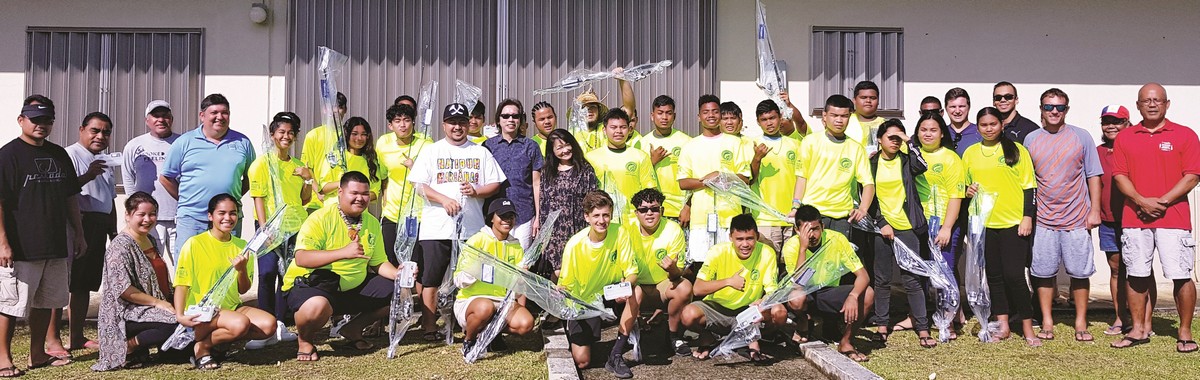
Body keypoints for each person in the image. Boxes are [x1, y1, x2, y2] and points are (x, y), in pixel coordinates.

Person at [0, 96, 86, 375]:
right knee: (11, 305)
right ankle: (3, 359)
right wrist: (2, 242)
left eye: (47, 120)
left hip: (55, 243)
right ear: (21, 120)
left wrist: (78, 233)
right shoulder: (7, 155)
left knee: (48, 302)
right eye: (35, 119)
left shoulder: (59, 154)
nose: (42, 125)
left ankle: (37, 354)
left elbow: (70, 197)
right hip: (21, 245)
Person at [1111, 83, 1199, 353]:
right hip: (1135, 217)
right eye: (1146, 100)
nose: (1152, 104)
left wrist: (1161, 202)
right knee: (1136, 275)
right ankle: (1138, 329)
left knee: (1181, 275)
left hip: (1173, 217)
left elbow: (1193, 174)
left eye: (1157, 100)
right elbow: (1119, 176)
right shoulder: (1125, 137)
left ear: (1167, 104)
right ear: (1138, 105)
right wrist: (1140, 201)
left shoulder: (1185, 135)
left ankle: (1184, 331)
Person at [282, 172, 405, 362]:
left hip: (350, 286)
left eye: (365, 194)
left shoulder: (371, 222)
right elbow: (302, 258)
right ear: (340, 192)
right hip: (314, 285)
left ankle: (352, 329)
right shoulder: (320, 218)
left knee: (397, 291)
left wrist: (400, 274)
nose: (360, 198)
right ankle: (305, 340)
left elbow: (379, 263)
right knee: (317, 306)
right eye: (354, 193)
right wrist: (342, 252)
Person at [407, 103, 506, 341]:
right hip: (436, 227)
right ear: (444, 125)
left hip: (470, 229)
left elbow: (495, 183)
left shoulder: (480, 152)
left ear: (469, 124)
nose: (457, 127)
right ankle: (430, 327)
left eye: (462, 122)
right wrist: (443, 199)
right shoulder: (432, 151)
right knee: (431, 278)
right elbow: (417, 184)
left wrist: (476, 190)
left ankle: (470, 323)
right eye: (452, 122)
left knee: (471, 277)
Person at [1022, 88, 1103, 342]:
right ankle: (1047, 321)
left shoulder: (1082, 137)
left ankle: (1081, 322)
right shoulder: (1031, 139)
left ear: (1066, 110)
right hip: (1044, 219)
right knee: (1043, 272)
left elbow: (1093, 175)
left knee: (1079, 273)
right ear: (1041, 110)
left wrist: (1095, 210)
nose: (1054, 112)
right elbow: (1027, 180)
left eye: (1059, 107)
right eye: (1049, 107)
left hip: (1077, 218)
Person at [962, 107, 1039, 346]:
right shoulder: (971, 153)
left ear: (1001, 125)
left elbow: (1030, 187)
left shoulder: (1017, 151)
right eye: (983, 125)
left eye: (993, 124)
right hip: (985, 224)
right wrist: (968, 191)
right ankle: (1003, 325)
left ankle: (1028, 328)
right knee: (994, 277)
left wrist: (1027, 217)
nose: (988, 129)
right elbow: (965, 188)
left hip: (1013, 223)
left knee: (1014, 276)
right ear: (978, 127)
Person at [173, 194, 276, 369]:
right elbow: (182, 283)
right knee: (240, 324)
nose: (228, 218)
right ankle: (202, 348)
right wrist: (180, 315)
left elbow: (243, 290)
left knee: (269, 325)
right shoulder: (194, 244)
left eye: (233, 213)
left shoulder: (243, 246)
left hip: (232, 307)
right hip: (204, 311)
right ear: (210, 216)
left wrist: (241, 269)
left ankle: (216, 342)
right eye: (222, 213)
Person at [160, 93, 256, 262]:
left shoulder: (243, 142)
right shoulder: (185, 142)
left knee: (225, 268)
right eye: (214, 113)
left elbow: (252, 177)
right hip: (192, 218)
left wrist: (232, 198)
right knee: (188, 266)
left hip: (227, 218)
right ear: (202, 115)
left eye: (225, 112)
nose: (220, 117)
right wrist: (185, 198)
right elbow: (166, 177)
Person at [866, 119, 936, 348]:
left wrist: (909, 141)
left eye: (899, 138)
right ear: (879, 139)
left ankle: (922, 327)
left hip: (908, 228)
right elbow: (868, 196)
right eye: (891, 138)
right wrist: (881, 222)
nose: (895, 142)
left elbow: (922, 165)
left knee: (912, 279)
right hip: (883, 228)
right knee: (882, 279)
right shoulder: (872, 163)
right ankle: (882, 325)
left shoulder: (907, 161)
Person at [245, 112, 311, 349]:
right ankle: (264, 327)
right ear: (272, 134)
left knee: (287, 276)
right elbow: (258, 198)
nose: (286, 136)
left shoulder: (298, 166)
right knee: (267, 272)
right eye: (281, 132)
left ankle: (281, 325)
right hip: (269, 228)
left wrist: (308, 179)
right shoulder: (262, 163)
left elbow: (305, 200)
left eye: (291, 133)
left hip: (294, 227)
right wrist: (265, 228)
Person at [93, 192, 179, 371]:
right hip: (128, 312)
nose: (148, 219)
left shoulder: (151, 239)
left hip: (155, 306)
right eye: (141, 214)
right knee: (176, 323)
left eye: (152, 214)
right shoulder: (120, 247)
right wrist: (159, 303)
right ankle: (129, 345)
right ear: (128, 215)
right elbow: (124, 290)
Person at [681, 214, 784, 362]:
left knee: (779, 311)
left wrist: (763, 301)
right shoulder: (717, 251)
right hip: (718, 309)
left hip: (748, 312)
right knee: (688, 314)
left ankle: (753, 339)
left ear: (757, 236)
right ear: (730, 237)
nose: (745, 244)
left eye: (750, 238)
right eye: (739, 239)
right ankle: (708, 336)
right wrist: (728, 281)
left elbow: (772, 291)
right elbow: (697, 288)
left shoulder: (767, 253)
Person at [558, 191, 639, 378]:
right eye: (596, 215)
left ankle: (616, 355)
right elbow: (566, 284)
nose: (602, 220)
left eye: (606, 215)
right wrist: (560, 291)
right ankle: (587, 331)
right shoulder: (574, 245)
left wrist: (626, 287)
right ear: (587, 217)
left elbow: (632, 271)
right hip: (585, 301)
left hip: (611, 292)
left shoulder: (620, 232)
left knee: (637, 291)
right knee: (582, 361)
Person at [781, 205, 873, 362]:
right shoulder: (791, 246)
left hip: (827, 292)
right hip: (804, 292)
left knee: (868, 293)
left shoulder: (837, 239)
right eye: (806, 230)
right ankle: (803, 320)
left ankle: (846, 342)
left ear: (822, 226)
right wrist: (803, 249)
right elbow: (798, 284)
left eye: (816, 229)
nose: (812, 235)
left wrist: (853, 295)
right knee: (796, 299)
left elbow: (863, 276)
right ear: (797, 230)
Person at [60, 111, 118, 353]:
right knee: (64, 283)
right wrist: (88, 175)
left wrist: (114, 231)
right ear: (81, 130)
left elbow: (110, 198)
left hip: (100, 224)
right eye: (95, 130)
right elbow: (65, 191)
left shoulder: (105, 160)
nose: (100, 136)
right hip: (77, 223)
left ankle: (77, 336)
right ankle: (54, 338)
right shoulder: (69, 155)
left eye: (106, 132)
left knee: (84, 284)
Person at [906, 112, 967, 336]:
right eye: (923, 130)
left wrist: (947, 227)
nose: (928, 134)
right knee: (920, 273)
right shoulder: (912, 154)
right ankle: (919, 318)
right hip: (918, 224)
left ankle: (947, 319)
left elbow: (956, 195)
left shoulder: (950, 158)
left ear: (942, 133)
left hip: (943, 223)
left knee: (945, 273)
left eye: (933, 130)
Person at [677, 94, 752, 271]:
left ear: (720, 114)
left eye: (715, 111)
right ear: (699, 117)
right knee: (702, 266)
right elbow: (683, 182)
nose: (711, 115)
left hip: (729, 217)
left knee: (731, 265)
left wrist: (721, 175)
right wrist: (707, 182)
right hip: (701, 218)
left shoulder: (734, 143)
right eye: (706, 112)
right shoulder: (690, 146)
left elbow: (745, 179)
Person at [452, 198, 535, 354]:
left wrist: (523, 279)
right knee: (485, 307)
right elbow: (458, 280)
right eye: (502, 216)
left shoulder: (516, 245)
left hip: (502, 302)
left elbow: (516, 291)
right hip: (472, 300)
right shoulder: (477, 240)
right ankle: (469, 340)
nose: (507, 220)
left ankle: (492, 334)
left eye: (510, 216)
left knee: (526, 323)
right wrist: (477, 267)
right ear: (492, 218)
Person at [1095, 105, 1151, 336]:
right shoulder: (1098, 151)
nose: (1111, 126)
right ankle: (1120, 318)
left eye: (1117, 121)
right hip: (1108, 219)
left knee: (1142, 270)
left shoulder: (1137, 147)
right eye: (1106, 121)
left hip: (1136, 217)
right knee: (1116, 269)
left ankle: (1146, 322)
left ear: (1128, 123)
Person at [792, 95, 875, 239]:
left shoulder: (856, 148)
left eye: (844, 116)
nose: (839, 120)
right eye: (834, 115)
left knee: (837, 260)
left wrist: (863, 209)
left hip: (842, 217)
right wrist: (795, 207)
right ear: (824, 116)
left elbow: (868, 183)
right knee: (811, 260)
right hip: (812, 213)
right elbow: (801, 177)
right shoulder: (810, 142)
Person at [627, 188, 692, 356]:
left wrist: (672, 269)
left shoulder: (674, 230)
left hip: (662, 286)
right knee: (622, 286)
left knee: (684, 287)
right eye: (643, 210)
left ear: (662, 210)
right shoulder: (625, 230)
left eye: (654, 209)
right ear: (636, 213)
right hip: (636, 287)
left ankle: (673, 335)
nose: (649, 213)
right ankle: (629, 333)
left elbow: (678, 275)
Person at [122, 100, 181, 274]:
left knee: (182, 266)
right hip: (149, 220)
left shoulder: (182, 142)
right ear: (147, 120)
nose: (161, 120)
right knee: (150, 267)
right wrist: (134, 210)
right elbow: (128, 177)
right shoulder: (134, 145)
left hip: (180, 216)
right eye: (156, 116)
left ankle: (181, 301)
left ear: (171, 118)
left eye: (165, 116)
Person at [536, 130, 598, 281]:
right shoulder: (546, 172)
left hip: (578, 227)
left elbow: (593, 198)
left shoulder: (585, 170)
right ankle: (555, 304)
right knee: (556, 271)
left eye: (567, 145)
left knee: (577, 269)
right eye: (559, 148)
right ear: (552, 151)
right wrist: (542, 230)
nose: (565, 150)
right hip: (554, 231)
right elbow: (543, 201)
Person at [483, 99, 544, 248]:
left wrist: (538, 216)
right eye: (506, 116)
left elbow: (537, 183)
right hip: (495, 215)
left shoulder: (531, 146)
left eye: (515, 116)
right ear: (498, 119)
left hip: (524, 214)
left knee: (520, 261)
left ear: (520, 120)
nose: (511, 119)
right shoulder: (487, 146)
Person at [378, 104, 432, 264]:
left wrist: (413, 167)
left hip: (417, 215)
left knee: (414, 263)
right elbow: (382, 176)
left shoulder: (426, 145)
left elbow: (432, 179)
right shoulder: (383, 145)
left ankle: (412, 290)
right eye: (397, 121)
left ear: (413, 123)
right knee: (389, 259)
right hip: (392, 213)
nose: (403, 125)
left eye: (407, 120)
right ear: (390, 125)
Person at [585, 108, 656, 220]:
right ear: (604, 130)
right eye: (613, 127)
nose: (618, 131)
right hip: (603, 220)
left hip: (633, 220)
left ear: (629, 129)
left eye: (623, 127)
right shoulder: (591, 158)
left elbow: (649, 191)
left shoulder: (640, 156)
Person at [749, 100, 802, 252]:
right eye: (764, 120)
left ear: (780, 117)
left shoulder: (795, 145)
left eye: (772, 118)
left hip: (791, 216)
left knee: (790, 264)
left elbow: (802, 178)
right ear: (758, 122)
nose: (769, 123)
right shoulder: (752, 144)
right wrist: (757, 158)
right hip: (765, 218)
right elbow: (749, 179)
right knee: (768, 261)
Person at [634, 95, 691, 225]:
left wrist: (688, 207)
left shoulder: (687, 142)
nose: (664, 117)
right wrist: (651, 162)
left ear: (674, 116)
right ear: (652, 116)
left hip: (680, 210)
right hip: (651, 210)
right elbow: (636, 178)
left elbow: (694, 176)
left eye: (668, 113)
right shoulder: (641, 143)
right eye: (660, 113)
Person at [315, 117, 387, 205]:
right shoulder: (334, 157)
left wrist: (357, 196)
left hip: (359, 213)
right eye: (354, 134)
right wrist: (343, 182)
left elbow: (375, 193)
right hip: (334, 210)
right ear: (347, 134)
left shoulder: (371, 161)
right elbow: (323, 188)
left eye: (363, 134)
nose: (359, 138)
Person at [300, 92, 348, 212]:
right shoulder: (313, 135)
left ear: (345, 110)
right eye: (331, 107)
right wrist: (318, 192)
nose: (335, 110)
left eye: (340, 107)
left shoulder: (349, 135)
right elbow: (307, 167)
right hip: (315, 202)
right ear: (324, 109)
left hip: (342, 201)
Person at [846, 81, 884, 152]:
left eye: (872, 98)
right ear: (854, 100)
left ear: (878, 101)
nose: (868, 101)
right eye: (863, 97)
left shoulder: (886, 124)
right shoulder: (845, 121)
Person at [945, 88, 981, 156]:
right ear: (946, 108)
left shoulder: (980, 132)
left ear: (969, 107)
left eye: (961, 106)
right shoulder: (941, 133)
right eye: (953, 107)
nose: (957, 111)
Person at [573, 88, 609, 153]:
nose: (588, 110)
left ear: (598, 111)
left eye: (593, 106)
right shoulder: (572, 133)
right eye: (584, 107)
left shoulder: (606, 129)